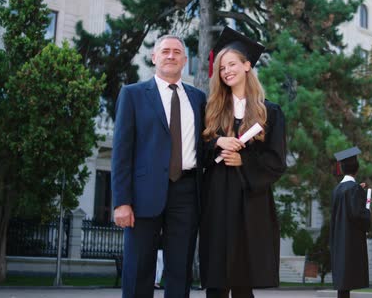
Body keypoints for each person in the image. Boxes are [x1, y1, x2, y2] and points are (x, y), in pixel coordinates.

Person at [111, 34, 206, 298]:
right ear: (154, 57)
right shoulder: (133, 95)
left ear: (185, 61)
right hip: (143, 195)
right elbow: (121, 152)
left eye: (177, 52)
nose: (171, 56)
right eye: (165, 51)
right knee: (139, 268)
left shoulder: (198, 99)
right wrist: (121, 201)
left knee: (180, 270)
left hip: (187, 193)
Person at [199, 27, 287, 298]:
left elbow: (276, 161)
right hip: (216, 200)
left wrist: (243, 160)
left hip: (249, 203)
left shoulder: (269, 112)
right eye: (221, 67)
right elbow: (195, 152)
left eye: (232, 64)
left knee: (242, 280)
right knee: (216, 279)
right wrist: (217, 143)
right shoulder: (211, 111)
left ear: (247, 65)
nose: (226, 71)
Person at [330, 147, 371, 298]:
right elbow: (357, 214)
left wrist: (358, 192)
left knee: (343, 282)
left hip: (338, 240)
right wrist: (367, 211)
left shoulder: (337, 189)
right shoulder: (354, 189)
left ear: (341, 168)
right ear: (357, 169)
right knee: (347, 281)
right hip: (350, 241)